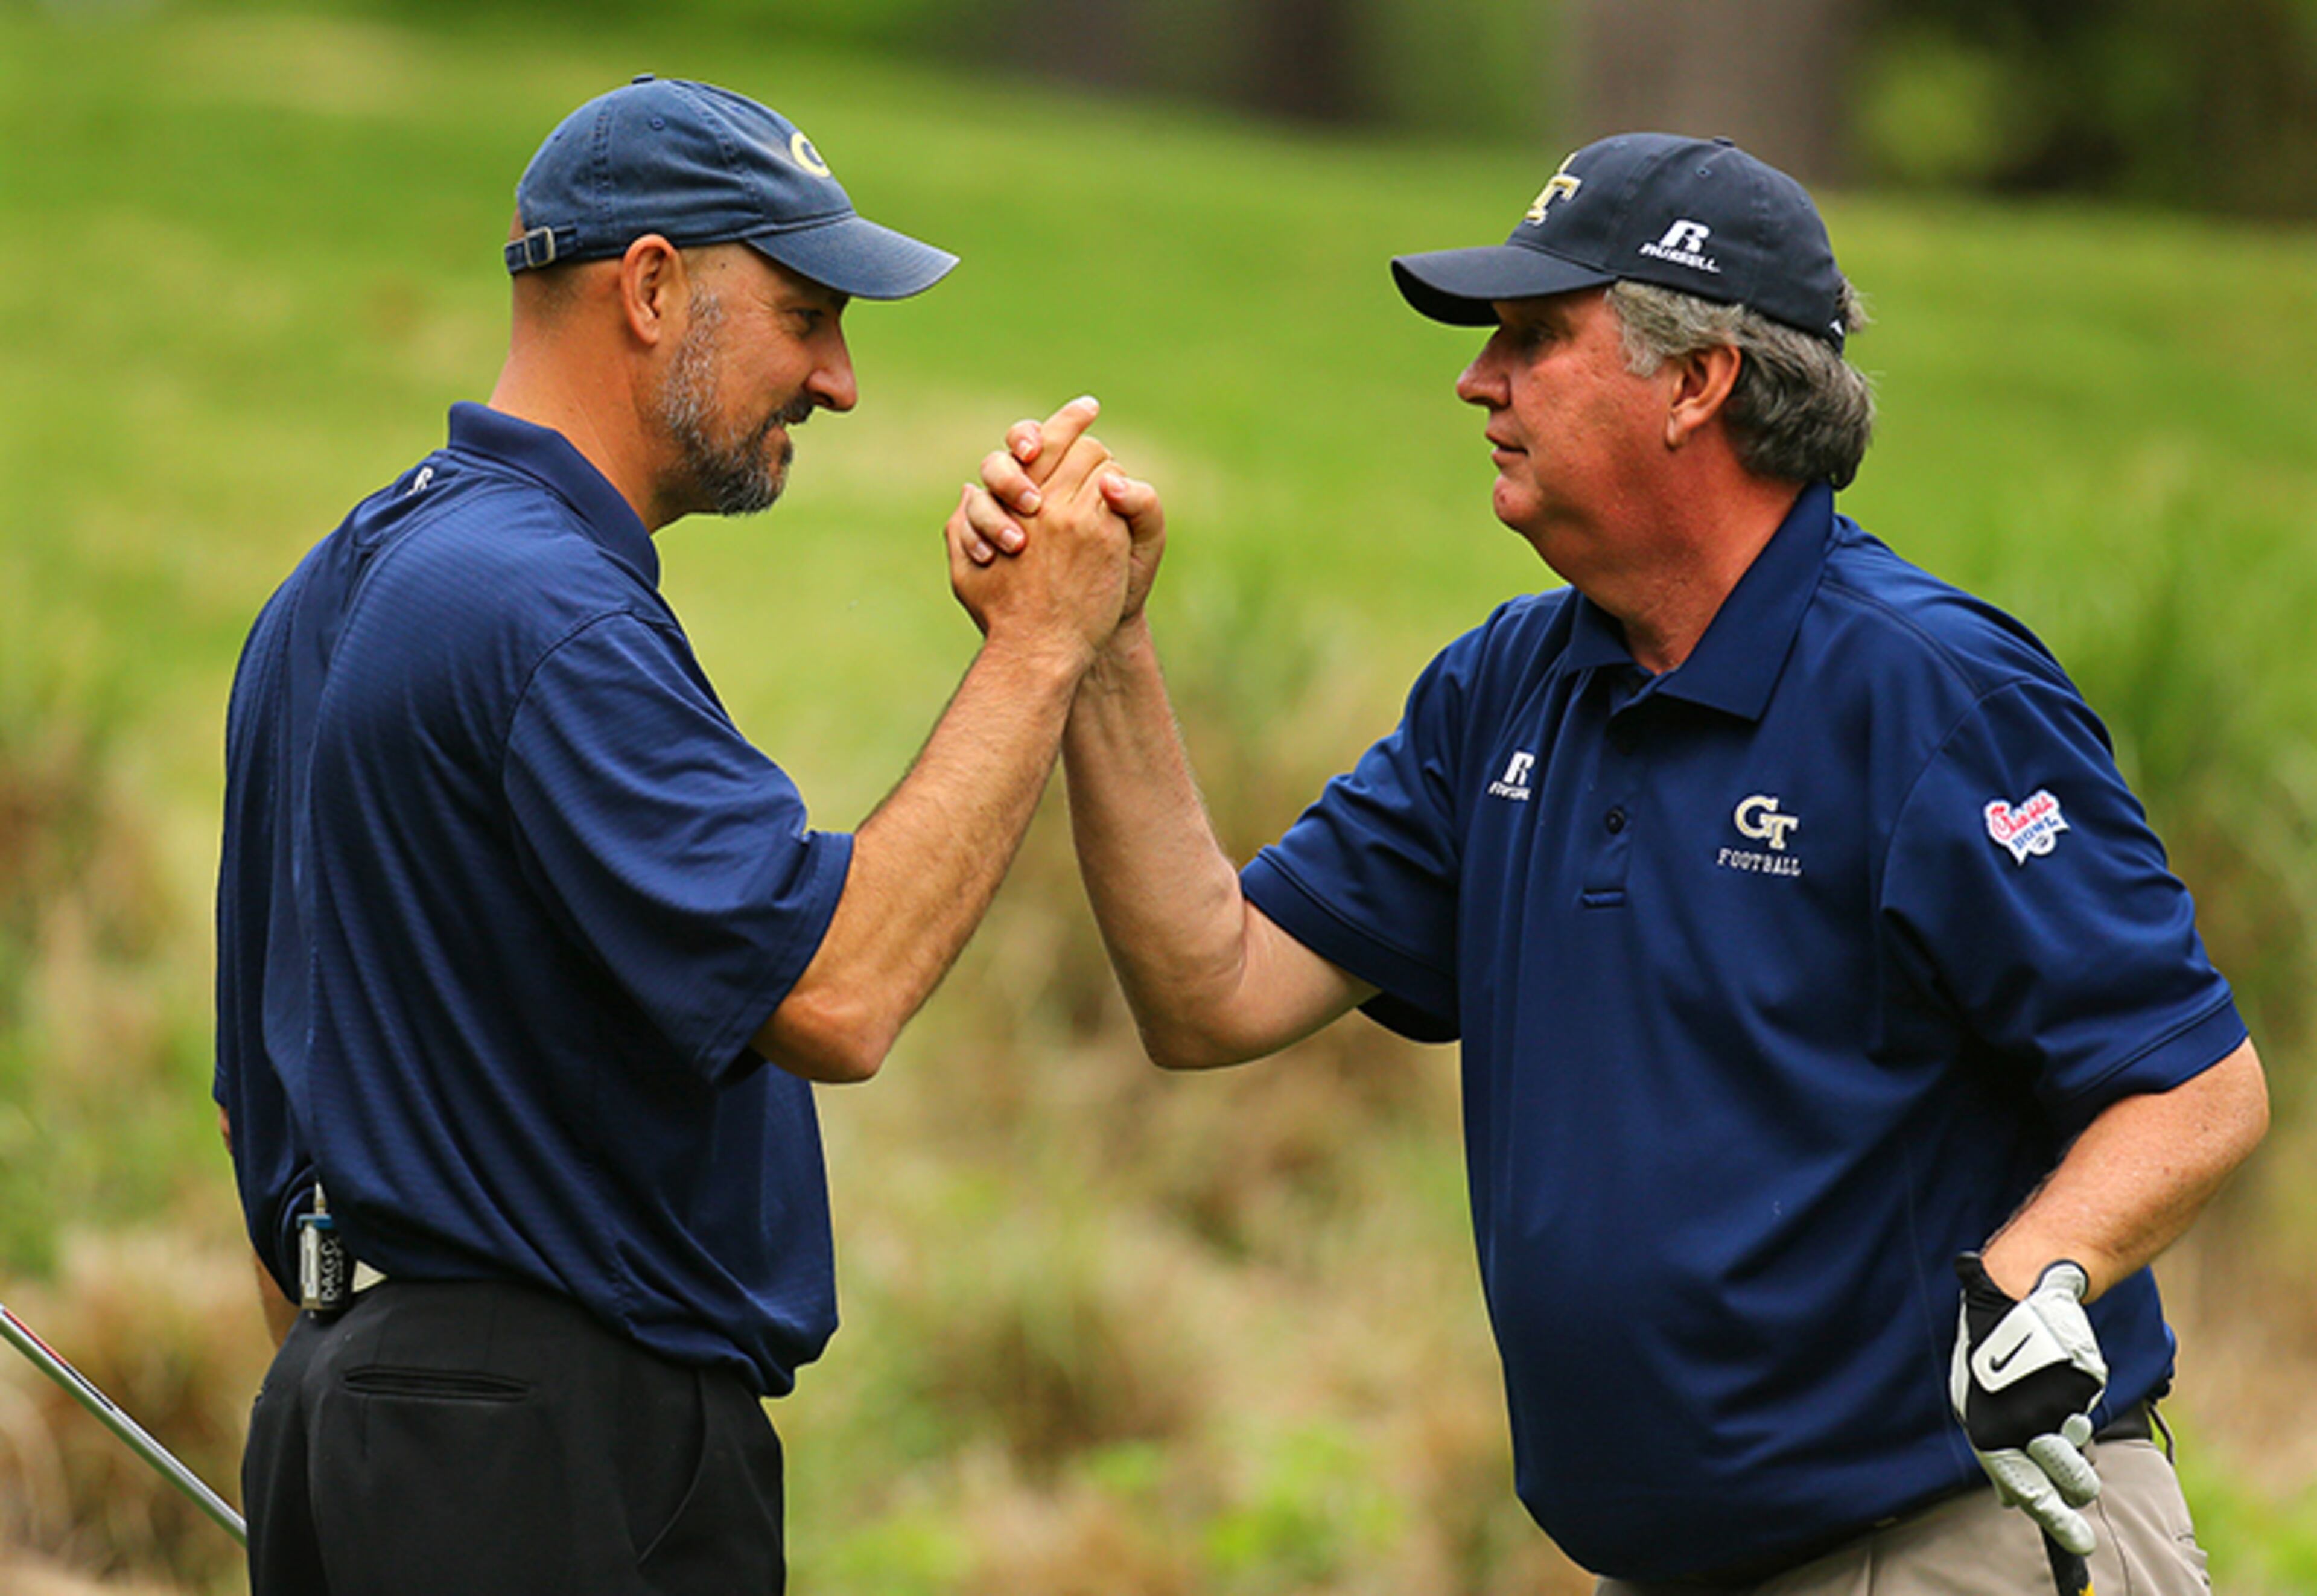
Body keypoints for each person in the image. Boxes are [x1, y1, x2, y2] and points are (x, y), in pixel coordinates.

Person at [959, 132, 2269, 1592]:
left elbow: (2195, 1082)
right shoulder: (1509, 686)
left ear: (1697, 382)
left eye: (1531, 339)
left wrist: (2038, 1282)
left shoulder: (1928, 697)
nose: (1478, 382)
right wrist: (1095, 647)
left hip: (1953, 1539)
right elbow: (1213, 989)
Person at [214, 77, 1132, 1595]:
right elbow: (835, 993)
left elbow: (262, 1111)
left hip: (356, 1417)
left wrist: (368, 1441)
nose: (838, 381)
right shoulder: (547, 615)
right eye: (806, 313)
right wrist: (1041, 646)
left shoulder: (328, 590)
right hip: (544, 1446)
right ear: (650, 288)